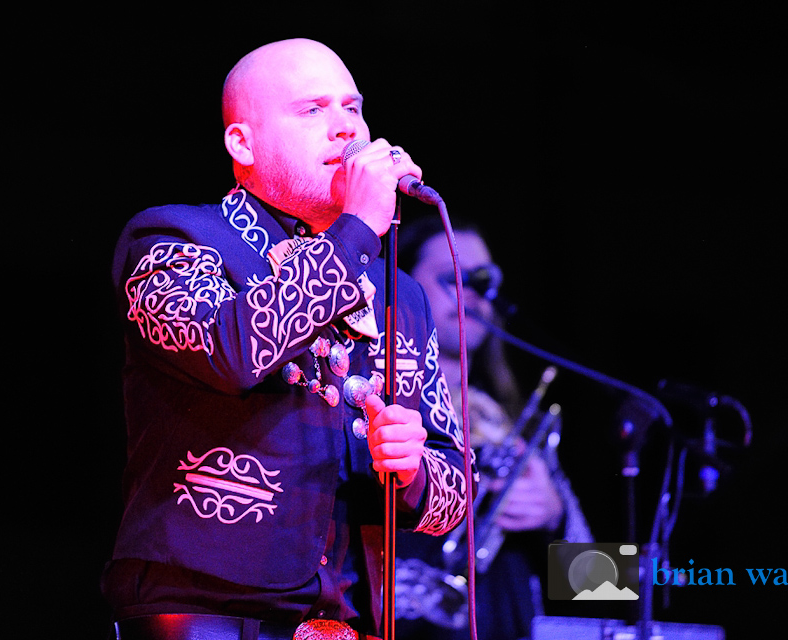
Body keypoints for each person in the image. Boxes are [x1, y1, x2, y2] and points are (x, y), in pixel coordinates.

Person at [102, 39, 474, 640]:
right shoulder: (172, 241)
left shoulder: (400, 292)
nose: (343, 130)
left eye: (353, 108)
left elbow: (455, 496)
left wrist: (413, 470)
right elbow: (231, 349)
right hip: (205, 613)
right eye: (312, 110)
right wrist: (354, 231)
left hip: (354, 623)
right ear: (241, 144)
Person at [393, 216, 592, 640]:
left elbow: (595, 587)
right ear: (404, 286)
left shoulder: (519, 425)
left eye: (483, 282)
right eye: (453, 278)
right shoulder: (377, 404)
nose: (472, 296)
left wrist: (555, 516)